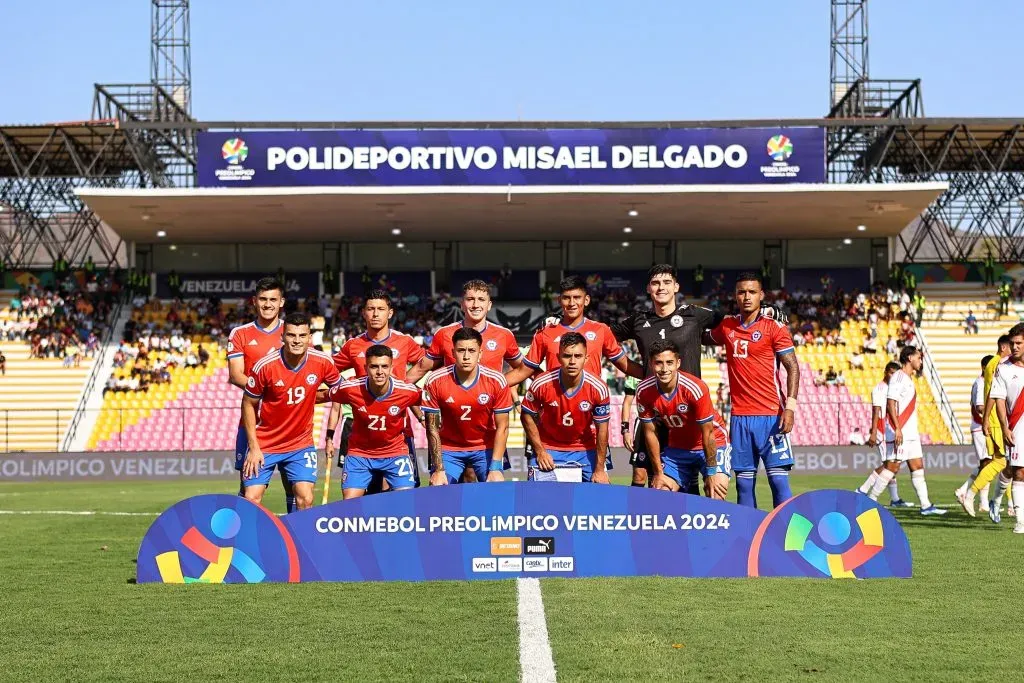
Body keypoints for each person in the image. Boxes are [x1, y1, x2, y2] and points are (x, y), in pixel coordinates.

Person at [606, 264, 786, 488]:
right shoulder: (638, 320)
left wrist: (765, 311)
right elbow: (603, 336)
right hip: (656, 410)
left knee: (701, 483)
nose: (661, 287)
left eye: (666, 282)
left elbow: (735, 321)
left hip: (690, 414)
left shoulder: (693, 314)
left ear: (676, 287)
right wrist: (637, 371)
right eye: (655, 283)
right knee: (646, 479)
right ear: (648, 289)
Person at [706, 272, 800, 509]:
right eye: (741, 292)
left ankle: (786, 536)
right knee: (744, 485)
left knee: (778, 481)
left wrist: (790, 408)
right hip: (739, 418)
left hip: (771, 416)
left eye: (752, 292)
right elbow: (702, 336)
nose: (746, 297)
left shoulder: (774, 328)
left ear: (761, 295)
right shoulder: (727, 326)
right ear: (735, 296)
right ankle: (749, 537)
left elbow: (793, 367)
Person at [240, 313, 341, 510]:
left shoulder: (322, 362)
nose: (297, 341)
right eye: (291, 335)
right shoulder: (265, 366)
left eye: (302, 335)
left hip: (300, 444)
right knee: (251, 498)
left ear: (310, 338)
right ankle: (252, 540)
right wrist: (253, 447)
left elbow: (339, 391)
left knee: (306, 498)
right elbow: (248, 403)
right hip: (265, 443)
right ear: (282, 337)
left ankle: (300, 541)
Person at [327, 289, 426, 488]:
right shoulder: (353, 346)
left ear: (390, 313)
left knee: (402, 495)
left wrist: (406, 381)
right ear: (363, 312)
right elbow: (327, 370)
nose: (375, 314)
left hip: (399, 431)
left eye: (380, 309)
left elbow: (427, 363)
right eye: (370, 309)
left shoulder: (404, 342)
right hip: (365, 433)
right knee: (367, 496)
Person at [226, 277, 292, 510]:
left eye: (273, 299)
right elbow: (235, 374)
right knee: (249, 487)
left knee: (294, 488)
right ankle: (244, 541)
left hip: (289, 424)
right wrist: (270, 393)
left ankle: (295, 540)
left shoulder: (293, 332)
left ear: (281, 302)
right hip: (253, 422)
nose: (268, 304)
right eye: (263, 299)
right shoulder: (240, 334)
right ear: (254, 301)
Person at [634, 340, 730, 497]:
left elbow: (708, 432)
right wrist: (658, 472)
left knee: (715, 493)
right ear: (651, 364)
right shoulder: (643, 391)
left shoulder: (695, 388)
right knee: (660, 494)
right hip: (677, 448)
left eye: (669, 363)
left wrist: (711, 472)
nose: (664, 369)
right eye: (659, 363)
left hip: (713, 443)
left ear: (678, 363)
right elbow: (650, 433)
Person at [327, 345, 421, 498]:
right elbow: (322, 396)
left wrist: (424, 419)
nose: (379, 372)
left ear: (391, 367)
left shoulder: (406, 390)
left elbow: (434, 401)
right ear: (365, 367)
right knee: (349, 504)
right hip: (360, 454)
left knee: (406, 502)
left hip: (395, 453)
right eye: (374, 366)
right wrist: (329, 437)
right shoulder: (350, 388)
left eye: (384, 366)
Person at [422, 328, 513, 485]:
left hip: (485, 447)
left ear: (480, 353)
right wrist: (438, 470)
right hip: (449, 448)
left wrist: (496, 467)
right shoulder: (435, 380)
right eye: (461, 350)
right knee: (437, 488)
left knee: (496, 487)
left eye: (471, 350)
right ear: (452, 352)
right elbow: (432, 428)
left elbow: (503, 427)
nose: (466, 356)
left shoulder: (497, 380)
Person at [864, 346, 946, 515]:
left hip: (911, 432)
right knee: (892, 467)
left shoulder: (908, 379)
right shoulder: (899, 378)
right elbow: (890, 404)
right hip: (900, 432)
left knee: (917, 465)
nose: (920, 361)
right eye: (918, 357)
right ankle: (870, 500)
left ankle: (926, 506)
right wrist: (898, 429)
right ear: (910, 358)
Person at [519, 332, 611, 483]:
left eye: (578, 356)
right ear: (558, 357)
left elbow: (603, 429)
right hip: (548, 447)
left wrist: (600, 469)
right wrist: (540, 451)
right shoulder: (541, 383)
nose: (572, 361)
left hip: (585, 449)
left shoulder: (598, 387)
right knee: (537, 502)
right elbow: (527, 415)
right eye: (567, 356)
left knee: (600, 501)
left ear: (586, 358)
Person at [408, 279, 523, 379]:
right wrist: (393, 394)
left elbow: (525, 369)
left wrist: (500, 385)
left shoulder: (504, 335)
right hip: (452, 402)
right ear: (462, 304)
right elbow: (420, 369)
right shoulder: (444, 334)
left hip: (490, 404)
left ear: (489, 305)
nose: (475, 304)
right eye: (470, 299)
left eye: (481, 299)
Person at [960, 335, 1014, 517]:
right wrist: (986, 421)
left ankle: (1002, 503)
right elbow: (993, 393)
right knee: (1002, 461)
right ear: (1005, 347)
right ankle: (972, 494)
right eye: (1013, 346)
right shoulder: (999, 365)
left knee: (1006, 462)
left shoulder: (998, 365)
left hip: (999, 421)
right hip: (998, 422)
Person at [857, 362, 912, 506]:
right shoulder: (879, 389)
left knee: (891, 464)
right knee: (889, 465)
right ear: (885, 372)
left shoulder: (893, 388)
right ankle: (863, 490)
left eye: (895, 373)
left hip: (890, 430)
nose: (893, 376)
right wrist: (874, 432)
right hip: (883, 431)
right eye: (891, 373)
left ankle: (894, 499)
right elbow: (876, 412)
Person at [987, 322, 1024, 532]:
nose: (1015, 347)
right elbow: (999, 399)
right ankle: (1021, 520)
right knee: (1019, 471)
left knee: (1011, 468)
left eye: (1019, 343)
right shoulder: (1003, 368)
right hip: (1016, 425)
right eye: (1012, 343)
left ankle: (997, 498)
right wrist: (1004, 427)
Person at [955, 356, 994, 510]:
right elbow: (979, 407)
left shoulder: (985, 382)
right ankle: (977, 499)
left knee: (987, 463)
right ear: (984, 367)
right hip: (980, 427)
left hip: (982, 427)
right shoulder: (981, 382)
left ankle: (966, 492)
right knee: (986, 463)